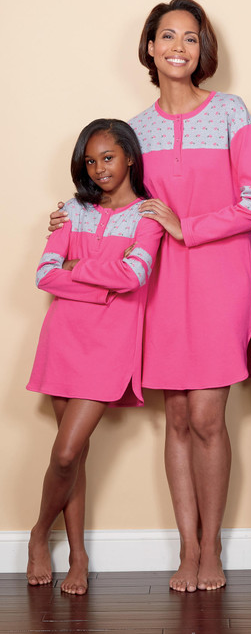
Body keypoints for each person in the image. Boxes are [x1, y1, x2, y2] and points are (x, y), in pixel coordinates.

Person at [49, 0, 251, 592]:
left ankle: (212, 547)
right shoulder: (135, 131)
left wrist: (187, 225)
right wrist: (69, 220)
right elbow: (112, 200)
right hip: (156, 286)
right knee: (175, 418)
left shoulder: (230, 112)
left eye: (191, 38)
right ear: (150, 47)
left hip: (220, 281)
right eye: (168, 36)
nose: (179, 47)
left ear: (203, 49)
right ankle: (188, 547)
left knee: (207, 417)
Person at [27, 119, 163, 594]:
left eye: (108, 157)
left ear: (129, 157)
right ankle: (77, 554)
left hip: (109, 346)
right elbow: (45, 274)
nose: (100, 168)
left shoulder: (148, 216)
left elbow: (135, 276)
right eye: (90, 161)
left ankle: (38, 531)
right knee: (73, 457)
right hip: (63, 338)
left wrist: (78, 268)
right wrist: (104, 282)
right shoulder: (72, 211)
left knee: (65, 452)